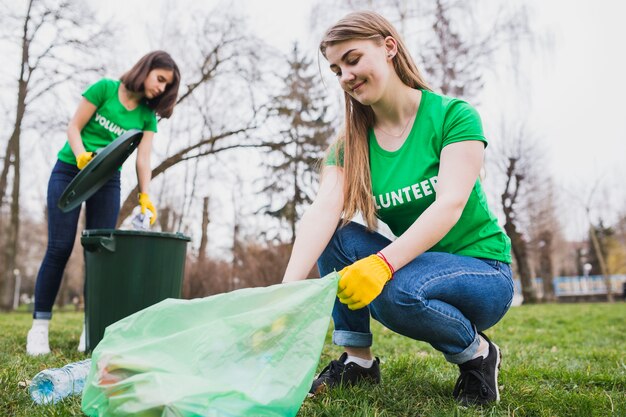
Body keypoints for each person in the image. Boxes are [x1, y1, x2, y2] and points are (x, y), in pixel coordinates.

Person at [281, 11, 514, 406]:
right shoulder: (350, 145)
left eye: (352, 60)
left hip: (483, 271)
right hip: (416, 263)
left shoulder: (452, 116)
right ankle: (358, 360)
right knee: (334, 236)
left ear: (389, 47)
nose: (345, 77)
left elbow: (450, 204)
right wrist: (282, 298)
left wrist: (383, 264)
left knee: (397, 293)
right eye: (336, 69)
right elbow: (322, 212)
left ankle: (478, 354)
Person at [26, 50, 181, 356]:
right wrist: (82, 154)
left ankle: (91, 328)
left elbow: (144, 158)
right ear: (147, 69)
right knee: (59, 247)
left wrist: (145, 196)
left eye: (167, 86)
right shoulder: (105, 89)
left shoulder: (146, 117)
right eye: (160, 79)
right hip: (70, 170)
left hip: (107, 180)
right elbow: (73, 127)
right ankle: (39, 328)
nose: (161, 88)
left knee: (98, 256)